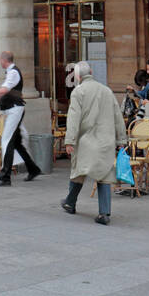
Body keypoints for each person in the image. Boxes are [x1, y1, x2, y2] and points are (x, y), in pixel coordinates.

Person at [61, 61, 127, 225]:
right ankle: (104, 213)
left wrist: (69, 141)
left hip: (86, 141)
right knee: (104, 174)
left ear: (77, 76)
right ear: (91, 72)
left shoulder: (78, 92)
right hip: (105, 141)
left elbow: (73, 119)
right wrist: (121, 140)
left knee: (78, 171)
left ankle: (70, 202)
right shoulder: (107, 91)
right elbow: (118, 117)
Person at [0, 51, 42, 186]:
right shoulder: (11, 72)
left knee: (6, 140)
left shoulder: (13, 72)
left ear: (4, 60)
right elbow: (10, 92)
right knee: (16, 142)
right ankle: (33, 169)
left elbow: (5, 89)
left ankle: (5, 177)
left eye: (0, 60)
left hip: (14, 111)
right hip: (13, 109)